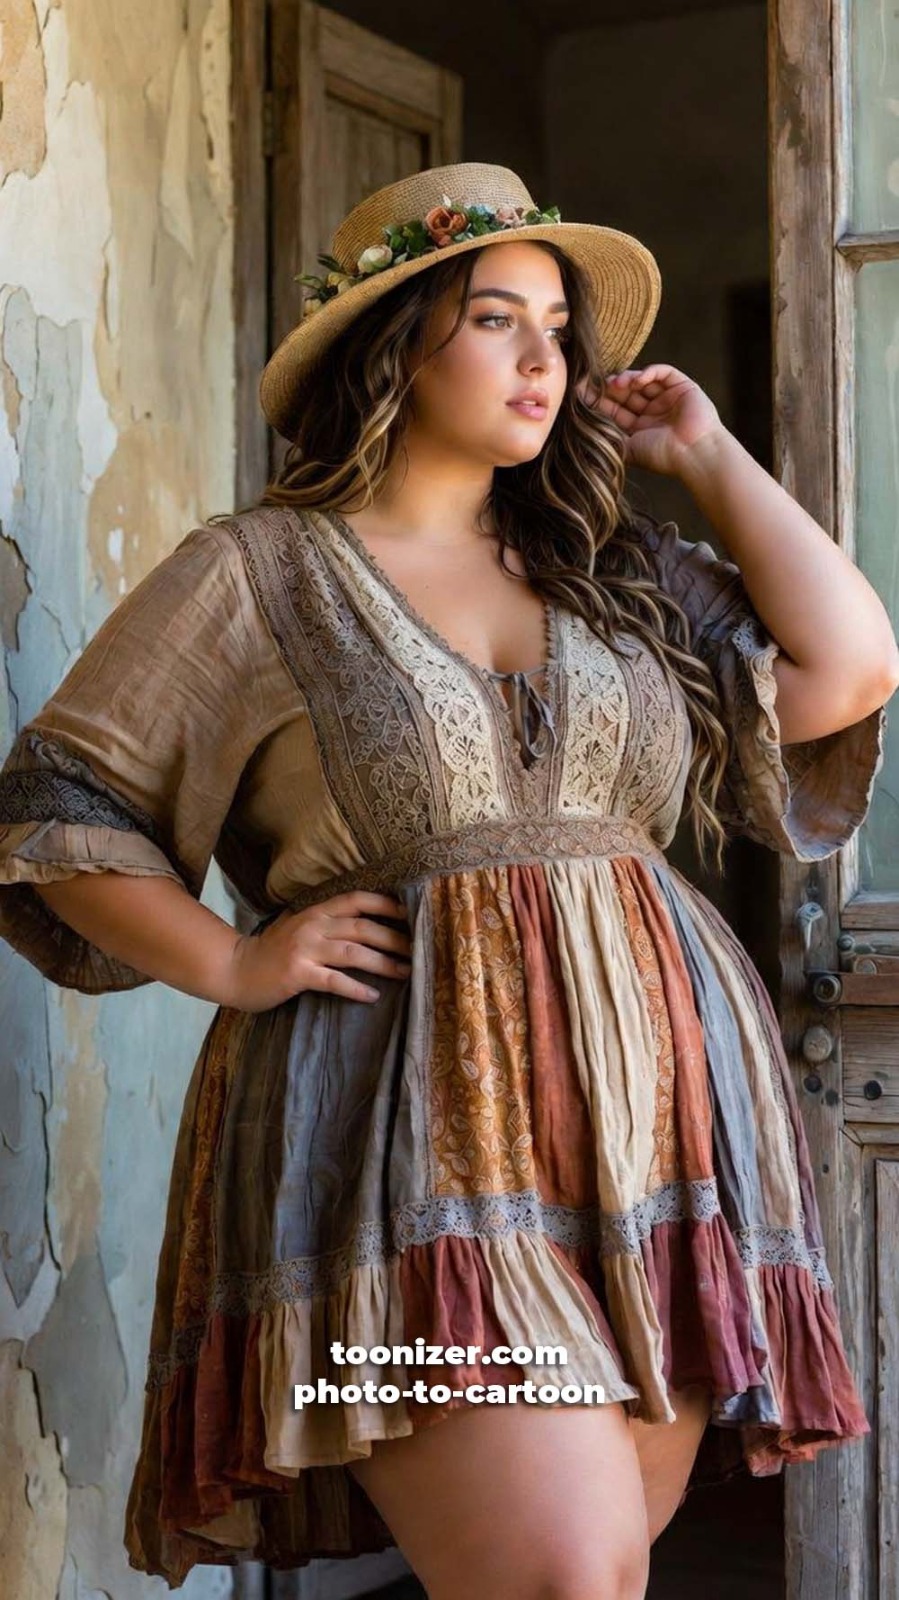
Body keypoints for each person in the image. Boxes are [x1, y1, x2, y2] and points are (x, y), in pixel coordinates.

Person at [0, 161, 896, 1600]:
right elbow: (60, 806)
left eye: (558, 325)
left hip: (652, 1141)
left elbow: (848, 667)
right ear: (395, 343)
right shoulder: (257, 574)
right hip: (391, 1156)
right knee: (561, 1578)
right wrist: (233, 962)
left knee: (597, 1576)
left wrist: (710, 452)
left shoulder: (611, 567)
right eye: (496, 318)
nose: (546, 357)